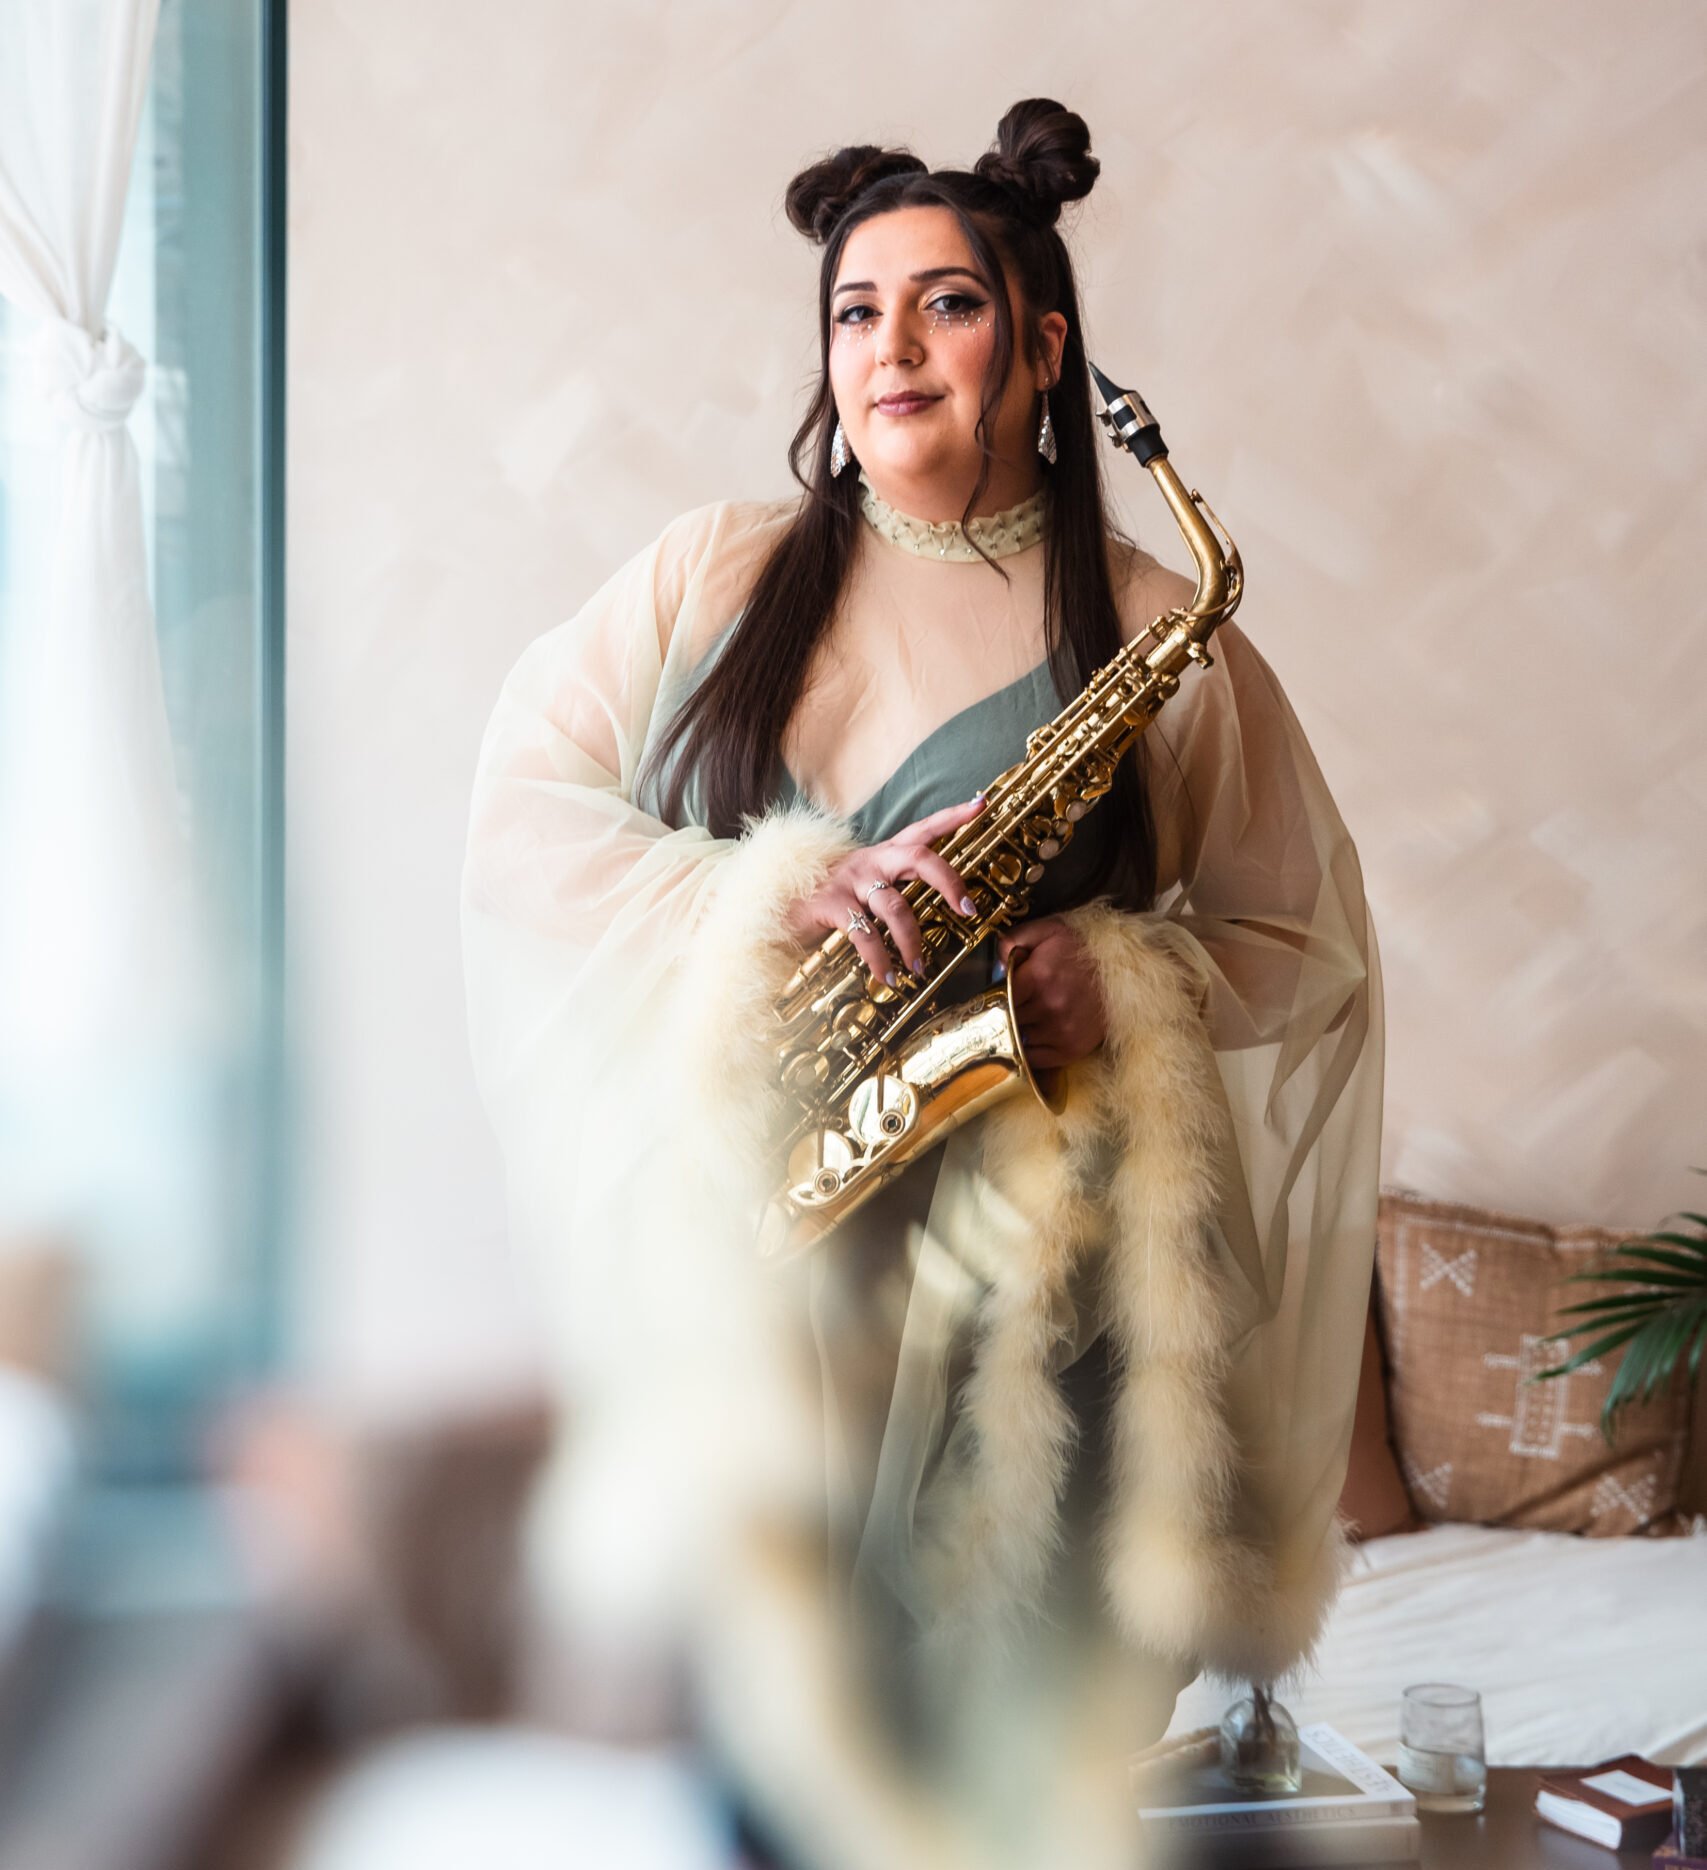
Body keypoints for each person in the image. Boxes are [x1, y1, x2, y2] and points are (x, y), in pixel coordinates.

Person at [463, 99, 1382, 1870]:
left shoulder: (1158, 629)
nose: (888, 347)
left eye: (944, 305)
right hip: (770, 1275)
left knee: (1024, 1775)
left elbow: (1302, 940)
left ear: (1042, 348)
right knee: (771, 1768)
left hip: (1040, 1303)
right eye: (854, 310)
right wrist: (775, 891)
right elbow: (521, 821)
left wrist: (1121, 972)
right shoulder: (715, 572)